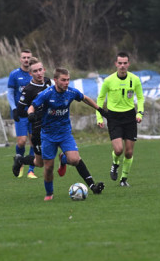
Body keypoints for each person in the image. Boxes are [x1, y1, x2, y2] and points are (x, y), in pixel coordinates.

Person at [28, 68, 106, 201]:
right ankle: (49, 193)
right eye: (63, 80)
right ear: (56, 80)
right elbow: (32, 106)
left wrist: (100, 109)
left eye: (68, 79)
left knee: (75, 160)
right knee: (48, 167)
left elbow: (85, 98)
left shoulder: (71, 92)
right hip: (48, 135)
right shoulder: (47, 94)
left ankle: (88, 182)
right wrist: (30, 114)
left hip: (64, 133)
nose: (66, 83)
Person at [96, 51, 144, 187]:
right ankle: (115, 163)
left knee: (129, 152)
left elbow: (140, 98)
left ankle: (123, 179)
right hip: (114, 118)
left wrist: (139, 114)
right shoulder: (108, 81)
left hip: (129, 117)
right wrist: (99, 117)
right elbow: (100, 98)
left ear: (128, 64)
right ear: (115, 64)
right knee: (118, 150)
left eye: (125, 63)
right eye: (120, 63)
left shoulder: (134, 79)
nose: (122, 66)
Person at [12, 58, 52, 177]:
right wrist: (32, 116)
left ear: (44, 70)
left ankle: (66, 160)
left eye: (40, 70)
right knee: (41, 163)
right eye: (35, 71)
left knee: (68, 151)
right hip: (39, 128)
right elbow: (20, 110)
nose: (39, 73)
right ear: (30, 74)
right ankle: (21, 160)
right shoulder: (28, 90)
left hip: (52, 124)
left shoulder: (48, 82)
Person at [7, 48, 39, 178]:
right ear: (20, 59)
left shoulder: (35, 74)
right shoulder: (14, 74)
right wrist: (14, 108)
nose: (26, 60)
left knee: (33, 141)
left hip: (33, 113)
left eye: (28, 58)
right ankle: (19, 164)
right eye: (24, 57)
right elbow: (9, 93)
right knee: (21, 141)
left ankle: (31, 170)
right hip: (20, 113)